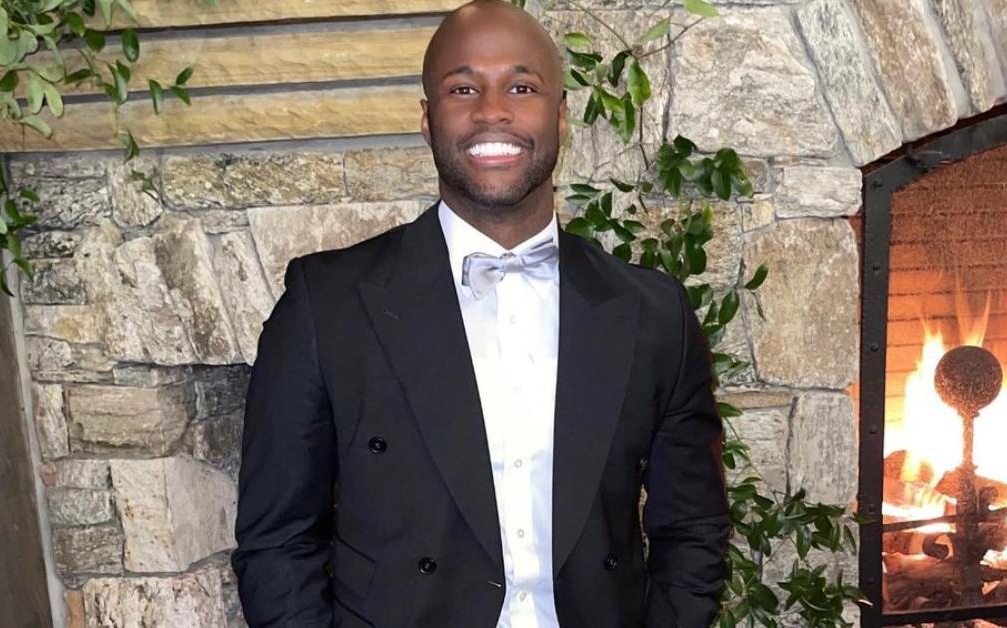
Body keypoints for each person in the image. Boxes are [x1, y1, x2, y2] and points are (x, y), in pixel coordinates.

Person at [231, 1, 729, 626]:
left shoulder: (653, 312)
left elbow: (693, 529)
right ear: (427, 120)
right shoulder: (325, 304)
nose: (492, 111)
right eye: (463, 88)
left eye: (521, 87)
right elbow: (277, 542)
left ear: (561, 116)